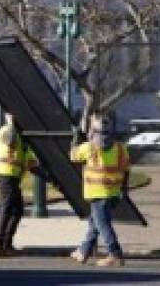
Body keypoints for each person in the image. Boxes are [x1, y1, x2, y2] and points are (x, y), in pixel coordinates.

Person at [69, 113, 131, 267]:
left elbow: (73, 156)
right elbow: (126, 170)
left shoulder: (89, 147)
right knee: (95, 223)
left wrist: (75, 139)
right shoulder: (120, 148)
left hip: (96, 193)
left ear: (93, 132)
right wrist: (124, 189)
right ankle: (83, 251)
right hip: (114, 193)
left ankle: (115, 254)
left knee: (102, 224)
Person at [0, 112, 37, 259]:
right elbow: (10, 141)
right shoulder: (5, 131)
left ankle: (6, 244)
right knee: (6, 210)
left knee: (17, 211)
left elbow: (31, 163)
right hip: (4, 175)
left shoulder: (23, 140)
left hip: (13, 178)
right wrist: (10, 123)